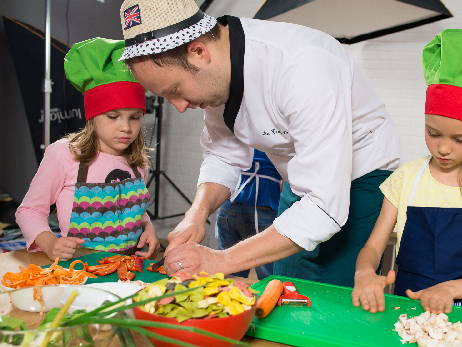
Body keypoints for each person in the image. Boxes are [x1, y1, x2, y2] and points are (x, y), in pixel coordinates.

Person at [118, 0, 401, 286]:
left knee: (330, 296)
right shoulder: (218, 72)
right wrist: (197, 213)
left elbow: (323, 207)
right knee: (285, 285)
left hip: (362, 175)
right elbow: (223, 155)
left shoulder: (302, 65)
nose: (179, 106)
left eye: (176, 90)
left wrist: (221, 260)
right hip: (300, 177)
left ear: (199, 51)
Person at [352, 29, 462, 314]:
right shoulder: (407, 178)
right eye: (433, 133)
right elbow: (373, 248)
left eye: (460, 140)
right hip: (405, 309)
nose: (443, 149)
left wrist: (450, 289)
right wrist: (364, 271)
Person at [16, 38, 160, 262]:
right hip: (80, 268)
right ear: (93, 116)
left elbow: (132, 210)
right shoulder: (65, 155)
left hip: (132, 266)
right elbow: (29, 210)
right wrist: (50, 243)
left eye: (135, 117)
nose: (125, 127)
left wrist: (146, 225)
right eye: (113, 117)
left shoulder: (137, 160)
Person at [216, 149, 282, 280]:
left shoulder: (239, 134)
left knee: (229, 271)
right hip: (263, 206)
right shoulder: (276, 139)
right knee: (269, 278)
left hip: (227, 206)